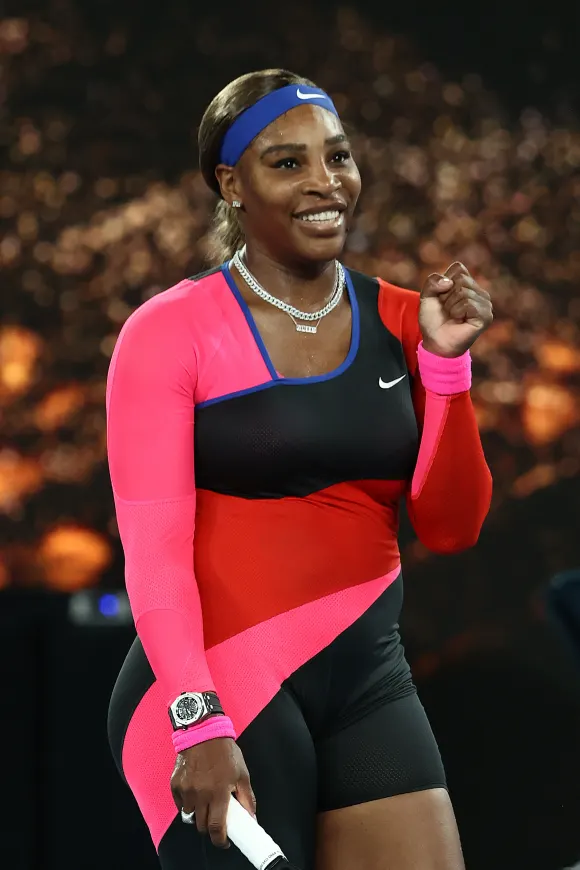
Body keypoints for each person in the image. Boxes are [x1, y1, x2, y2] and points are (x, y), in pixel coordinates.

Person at [106, 68, 493, 870]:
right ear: (232, 184)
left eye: (339, 157)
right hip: (213, 687)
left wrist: (448, 371)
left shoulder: (402, 318)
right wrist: (198, 721)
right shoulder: (168, 332)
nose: (326, 184)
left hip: (367, 679)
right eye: (288, 163)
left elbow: (452, 529)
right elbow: (154, 557)